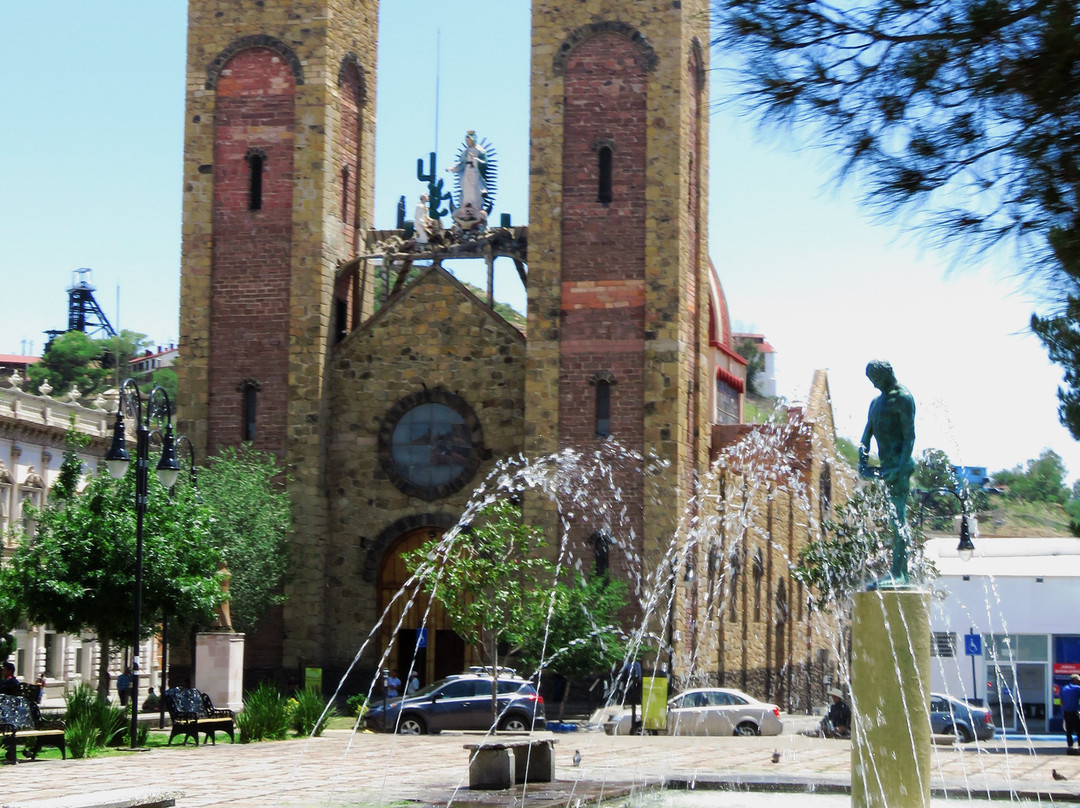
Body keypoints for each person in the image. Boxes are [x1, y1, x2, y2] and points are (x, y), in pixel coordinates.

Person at [859, 359, 916, 583]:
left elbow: (910, 437)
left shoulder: (903, 398)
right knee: (894, 518)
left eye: (876, 379)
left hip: (900, 467)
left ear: (887, 374)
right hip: (886, 468)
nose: (874, 385)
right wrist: (862, 463)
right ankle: (898, 571)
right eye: (871, 381)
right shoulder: (875, 403)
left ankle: (901, 573)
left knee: (897, 518)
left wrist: (899, 467)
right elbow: (866, 436)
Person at [1062, 673, 1080, 755]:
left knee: (1068, 731)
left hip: (1066, 713)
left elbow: (1061, 702)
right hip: (1074, 712)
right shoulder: (1078, 688)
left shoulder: (1064, 688)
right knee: (1079, 730)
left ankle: (1070, 746)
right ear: (1075, 680)